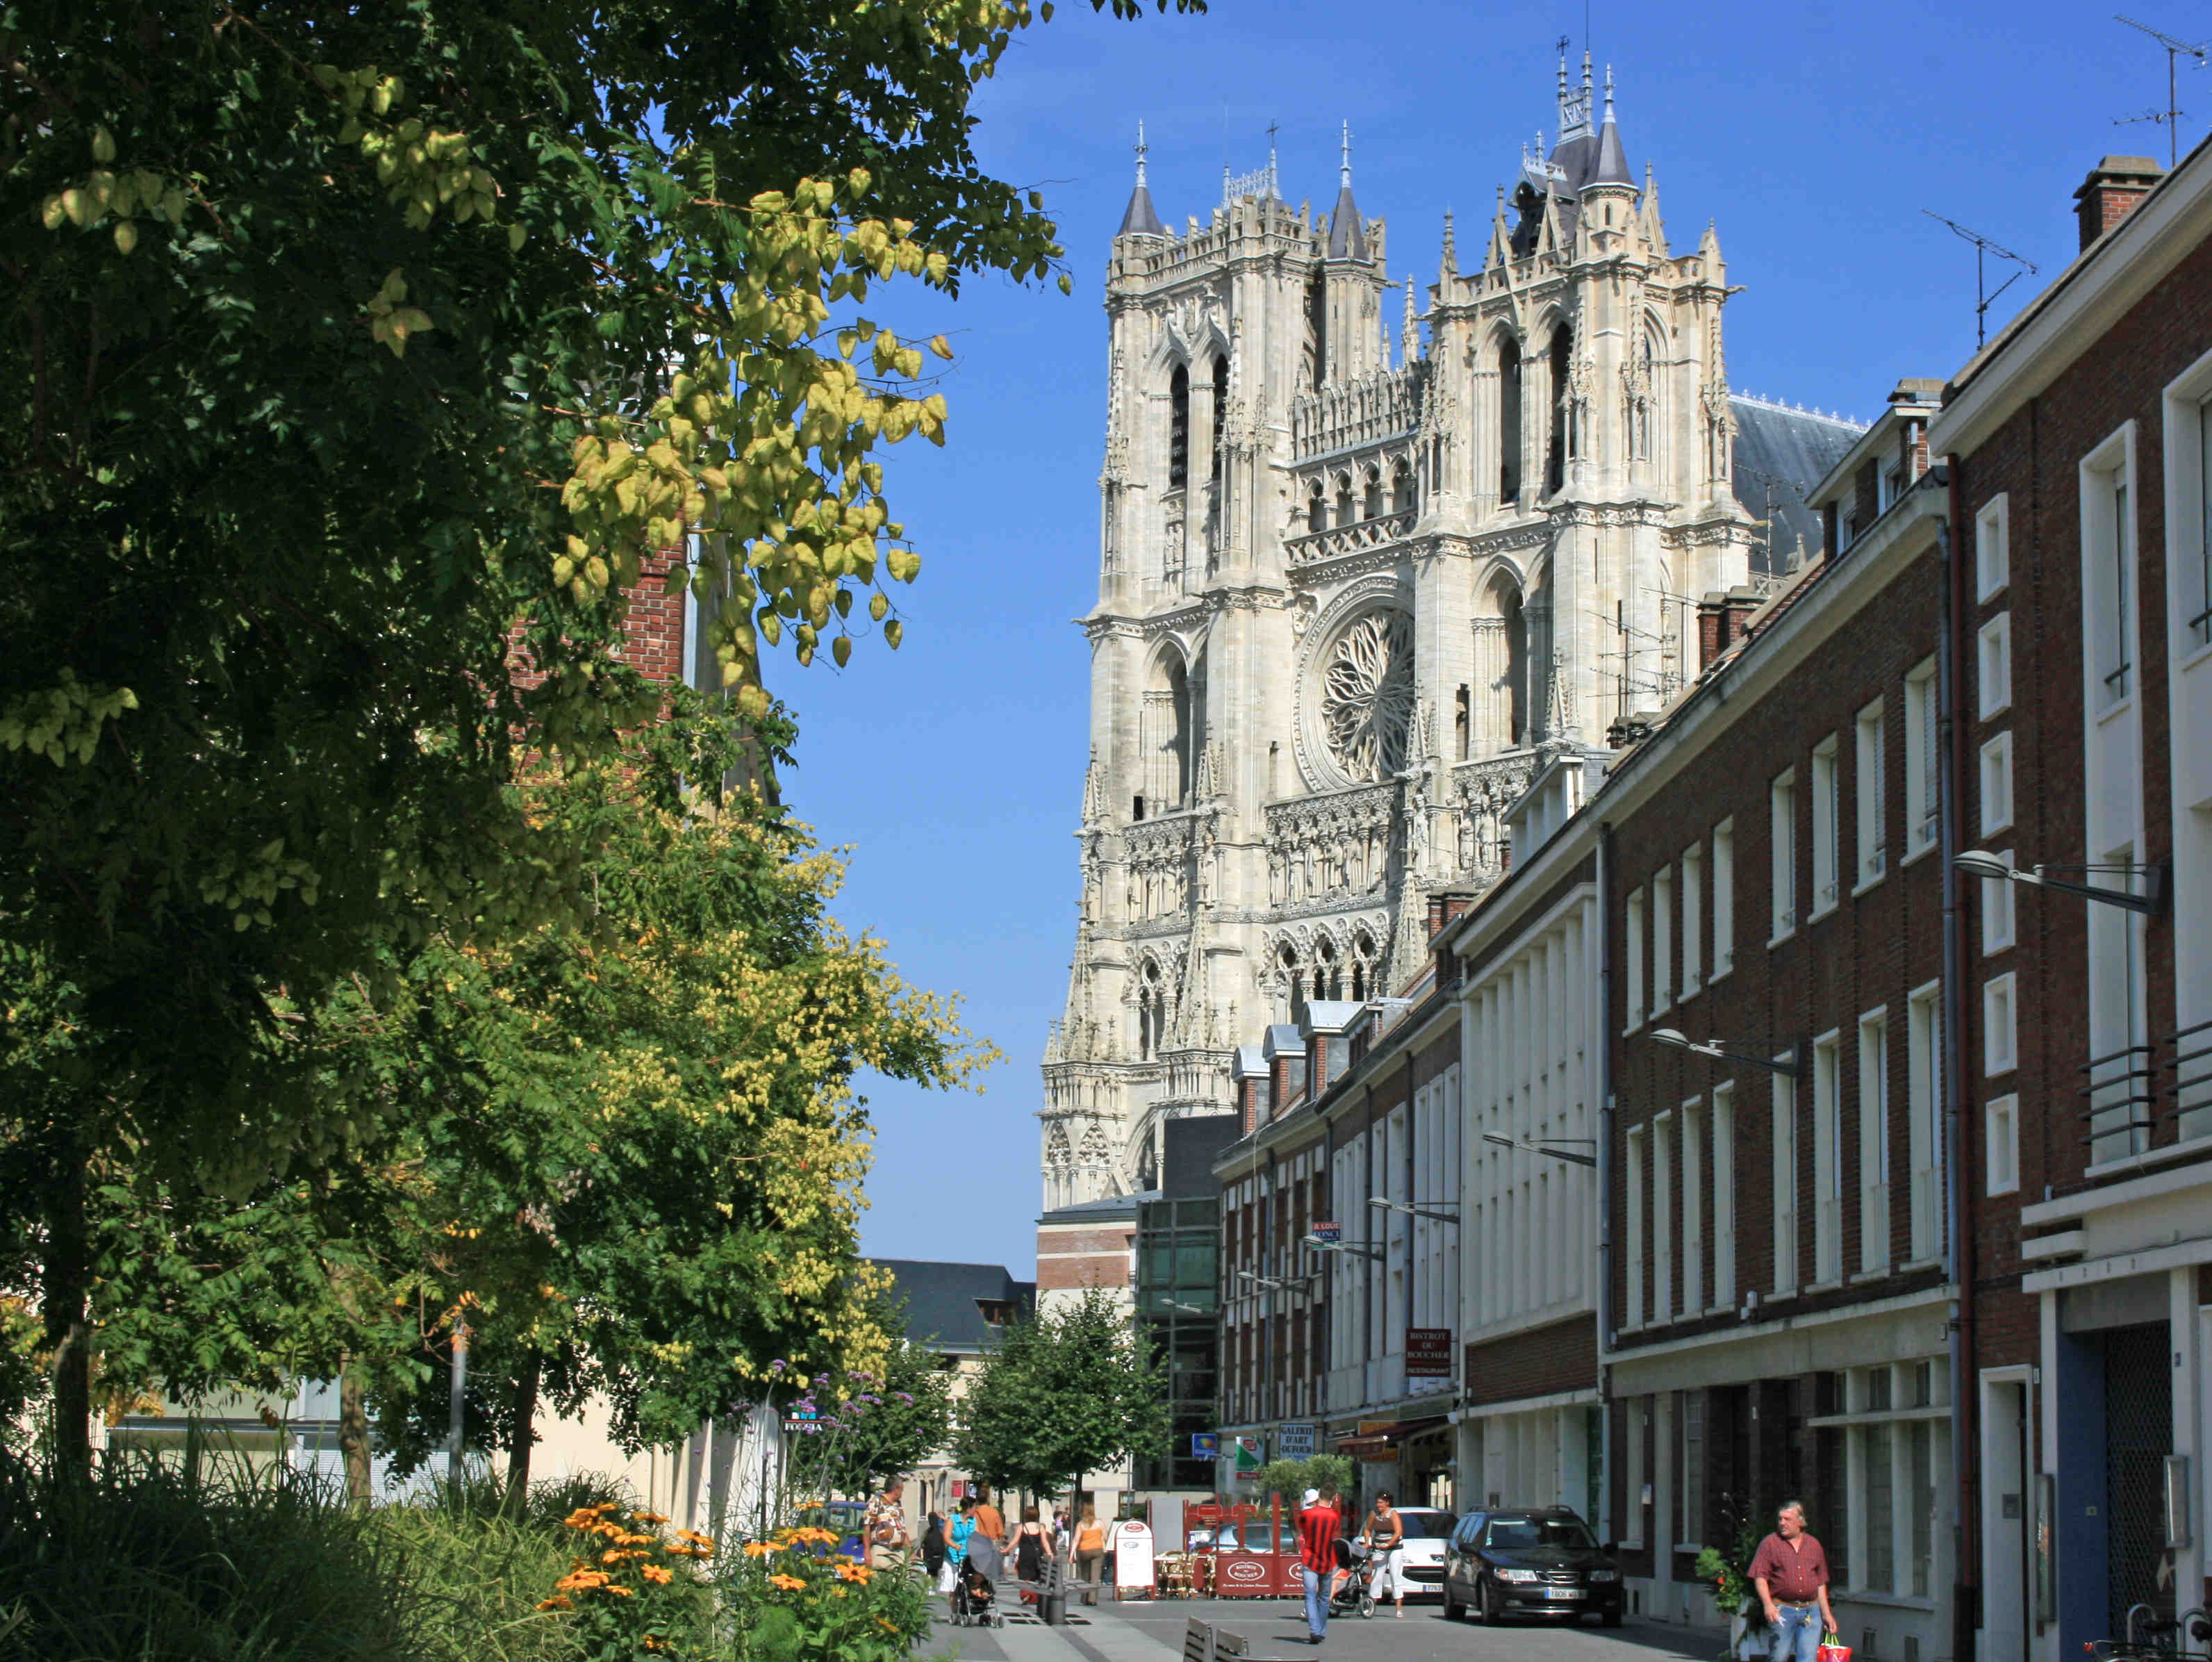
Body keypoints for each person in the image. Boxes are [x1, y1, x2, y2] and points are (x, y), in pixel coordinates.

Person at [1751, 1500, 1838, 1662]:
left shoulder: (1814, 1545)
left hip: (1810, 1611)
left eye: (1787, 1519)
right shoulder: (1770, 1544)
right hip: (1782, 1610)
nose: (1782, 1523)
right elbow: (1760, 1577)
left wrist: (1826, 1614)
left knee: (1807, 1658)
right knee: (1779, 1656)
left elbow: (1820, 1583)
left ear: (1800, 1521)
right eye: (1780, 1519)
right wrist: (1768, 1605)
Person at [1296, 1485, 1343, 1645]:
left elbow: (1302, 1529)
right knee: (1324, 1597)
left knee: (1310, 1595)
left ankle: (1315, 1630)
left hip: (1310, 1559)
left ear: (1319, 1496)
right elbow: (1335, 1534)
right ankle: (1321, 1631)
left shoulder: (1307, 1514)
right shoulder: (1334, 1516)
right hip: (1328, 1560)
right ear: (1331, 1498)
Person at [1362, 1490, 1406, 1618]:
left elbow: (1398, 1532)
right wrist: (1367, 1542)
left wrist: (1389, 1544)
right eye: (1377, 1502)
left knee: (1394, 1575)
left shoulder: (1393, 1514)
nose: (1379, 1505)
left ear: (1387, 1503)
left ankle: (1399, 1608)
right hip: (1379, 1547)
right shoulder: (1373, 1514)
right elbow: (1367, 1529)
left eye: (1381, 1503)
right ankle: (1371, 1605)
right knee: (1377, 1575)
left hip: (1395, 1548)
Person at [865, 1479, 909, 1571]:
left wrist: (910, 1551)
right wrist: (867, 1550)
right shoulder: (876, 1502)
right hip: (881, 1549)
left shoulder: (898, 1505)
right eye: (902, 1490)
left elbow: (902, 1529)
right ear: (896, 1490)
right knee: (880, 1581)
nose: (902, 1493)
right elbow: (866, 1525)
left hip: (898, 1552)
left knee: (898, 1582)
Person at [944, 1497, 979, 1604]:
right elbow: (946, 1537)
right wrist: (955, 1546)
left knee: (970, 1581)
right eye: (974, 1508)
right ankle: (954, 1613)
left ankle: (968, 1604)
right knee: (953, 1587)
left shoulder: (973, 1521)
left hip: (968, 1557)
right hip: (953, 1558)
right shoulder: (953, 1520)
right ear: (968, 1508)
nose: (976, 1510)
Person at [1074, 1506, 1107, 1606]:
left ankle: (1084, 1598)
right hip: (1097, 1550)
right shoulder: (1100, 1523)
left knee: (1085, 1576)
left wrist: (1071, 1555)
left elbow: (1076, 1539)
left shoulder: (1081, 1524)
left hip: (1084, 1551)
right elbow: (1105, 1536)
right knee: (1095, 1576)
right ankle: (1092, 1599)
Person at [1014, 1505, 1048, 1603]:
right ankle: (1033, 1596)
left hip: (1025, 1554)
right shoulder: (1040, 1527)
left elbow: (1015, 1541)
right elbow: (1045, 1542)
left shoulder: (1022, 1527)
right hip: (1036, 1555)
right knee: (1035, 1575)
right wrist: (1050, 1552)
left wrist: (1007, 1549)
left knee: (1024, 1576)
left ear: (1026, 1515)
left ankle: (1026, 1594)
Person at [972, 1482, 1007, 1546]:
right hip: (991, 1543)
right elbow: (1000, 1531)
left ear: (977, 1500)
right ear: (987, 1499)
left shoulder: (974, 1513)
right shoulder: (994, 1512)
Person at [922, 1511, 948, 1585]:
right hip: (939, 1557)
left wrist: (923, 1557)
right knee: (936, 1574)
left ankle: (929, 1589)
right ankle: (934, 1588)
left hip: (929, 1557)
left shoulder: (927, 1533)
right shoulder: (941, 1531)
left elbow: (923, 1545)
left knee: (929, 1573)